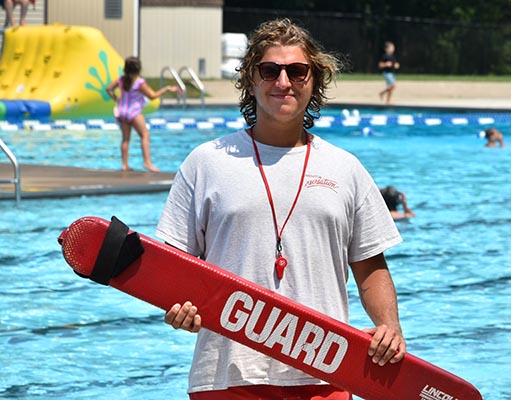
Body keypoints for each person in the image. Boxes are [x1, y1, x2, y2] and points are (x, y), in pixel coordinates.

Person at [157, 19, 406, 399]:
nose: (283, 82)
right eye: (270, 70)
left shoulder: (345, 168)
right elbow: (174, 267)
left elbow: (370, 265)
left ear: (315, 80)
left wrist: (389, 326)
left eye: (297, 71)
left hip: (327, 373)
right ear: (250, 79)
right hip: (227, 375)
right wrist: (180, 307)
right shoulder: (205, 163)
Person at [105, 56, 179, 172]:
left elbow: (108, 89)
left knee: (125, 139)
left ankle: (124, 165)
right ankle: (147, 163)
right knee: (145, 135)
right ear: (139, 68)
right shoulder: (139, 82)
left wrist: (117, 99)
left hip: (122, 111)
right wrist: (166, 89)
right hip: (134, 112)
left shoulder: (121, 80)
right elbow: (152, 96)